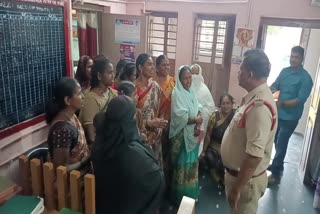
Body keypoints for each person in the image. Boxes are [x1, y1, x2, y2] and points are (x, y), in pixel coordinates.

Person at [221, 49, 277, 214]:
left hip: (245, 182)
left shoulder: (260, 107)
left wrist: (237, 188)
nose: (238, 73)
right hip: (239, 177)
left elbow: (254, 156)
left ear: (250, 74)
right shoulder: (253, 98)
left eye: (241, 70)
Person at [92, 96, 165, 214]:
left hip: (105, 205)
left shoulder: (101, 141)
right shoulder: (133, 153)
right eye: (134, 117)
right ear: (129, 121)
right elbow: (156, 178)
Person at [268, 46, 313, 185]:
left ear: (302, 59)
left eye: (296, 57)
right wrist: (267, 90)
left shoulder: (306, 78)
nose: (293, 59)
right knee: (275, 140)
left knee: (281, 143)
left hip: (291, 117)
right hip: (278, 114)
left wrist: (282, 103)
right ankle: (278, 165)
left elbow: (300, 100)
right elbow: (275, 85)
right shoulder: (285, 72)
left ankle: (275, 175)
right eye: (292, 56)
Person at [169, 65, 203, 205]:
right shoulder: (177, 93)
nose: (188, 81)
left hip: (192, 134)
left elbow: (199, 107)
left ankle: (190, 194)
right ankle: (180, 197)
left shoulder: (191, 91)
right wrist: (196, 120)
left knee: (191, 165)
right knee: (181, 166)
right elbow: (180, 116)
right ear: (179, 79)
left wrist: (198, 120)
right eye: (185, 78)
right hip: (181, 135)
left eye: (190, 77)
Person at [46, 77, 90, 173]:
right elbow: (61, 170)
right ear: (67, 100)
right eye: (79, 94)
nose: (83, 96)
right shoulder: (62, 130)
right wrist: (84, 161)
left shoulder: (71, 115)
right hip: (72, 183)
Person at [135, 53, 168, 167]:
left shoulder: (155, 86)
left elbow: (164, 106)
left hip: (155, 136)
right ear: (140, 67)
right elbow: (130, 117)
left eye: (153, 64)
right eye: (149, 64)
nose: (153, 67)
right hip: (139, 138)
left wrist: (160, 123)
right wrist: (148, 123)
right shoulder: (133, 89)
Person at [79, 55, 117, 145]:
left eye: (113, 72)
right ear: (99, 76)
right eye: (110, 73)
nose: (113, 75)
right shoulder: (90, 99)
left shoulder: (114, 93)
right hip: (101, 147)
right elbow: (92, 137)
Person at [200, 93, 235, 186]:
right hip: (215, 146)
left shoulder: (236, 116)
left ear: (232, 104)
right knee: (210, 158)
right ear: (220, 105)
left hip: (230, 147)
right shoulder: (214, 116)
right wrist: (203, 151)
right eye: (223, 103)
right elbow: (208, 135)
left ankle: (226, 179)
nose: (225, 106)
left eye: (228, 103)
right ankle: (216, 175)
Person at [153, 55, 176, 189]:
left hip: (171, 123)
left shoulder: (173, 82)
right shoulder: (153, 82)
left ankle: (167, 183)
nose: (167, 67)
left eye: (168, 65)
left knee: (168, 153)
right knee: (157, 154)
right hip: (156, 125)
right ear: (157, 67)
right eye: (164, 65)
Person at [190, 63, 216, 155]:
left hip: (200, 125)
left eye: (196, 74)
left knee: (196, 149)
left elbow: (210, 109)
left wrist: (199, 113)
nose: (194, 77)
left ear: (200, 74)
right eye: (192, 74)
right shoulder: (185, 88)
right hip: (187, 123)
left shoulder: (204, 90)